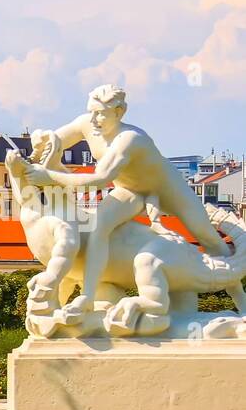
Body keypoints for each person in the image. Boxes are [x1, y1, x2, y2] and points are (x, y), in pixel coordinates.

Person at [25, 84, 231, 324]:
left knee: (207, 236)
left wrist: (48, 177)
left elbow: (99, 180)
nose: (94, 119)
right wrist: (41, 138)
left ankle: (239, 292)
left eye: (101, 113)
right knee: (98, 227)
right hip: (131, 191)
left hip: (166, 189)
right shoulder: (87, 123)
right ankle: (87, 296)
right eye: (91, 111)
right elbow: (56, 139)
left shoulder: (129, 139)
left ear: (120, 112)